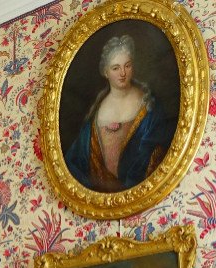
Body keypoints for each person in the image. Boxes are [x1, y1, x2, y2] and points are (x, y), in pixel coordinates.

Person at [64, 34, 174, 193]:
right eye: (116, 68)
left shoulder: (149, 104)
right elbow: (75, 161)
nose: (123, 73)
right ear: (106, 72)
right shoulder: (96, 112)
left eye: (127, 65)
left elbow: (156, 150)